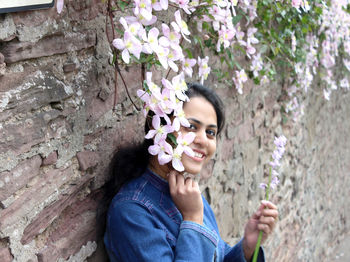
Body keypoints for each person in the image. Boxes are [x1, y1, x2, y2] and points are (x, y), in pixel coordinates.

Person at [103, 83, 278, 262]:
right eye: (191, 126)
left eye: (211, 132)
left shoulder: (188, 195)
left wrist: (247, 248)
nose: (203, 140)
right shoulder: (131, 212)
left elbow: (216, 256)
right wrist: (193, 219)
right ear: (161, 128)